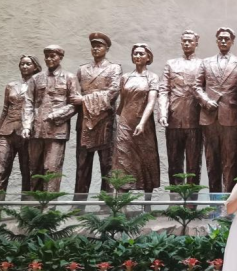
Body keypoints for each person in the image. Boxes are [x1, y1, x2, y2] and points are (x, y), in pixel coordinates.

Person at [22, 45, 80, 192]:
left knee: (52, 168)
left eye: (52, 56)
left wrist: (56, 115)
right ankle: (34, 203)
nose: (49, 59)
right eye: (46, 56)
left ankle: (50, 203)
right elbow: (28, 103)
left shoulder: (70, 78)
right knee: (34, 168)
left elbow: (75, 104)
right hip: (36, 130)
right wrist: (27, 125)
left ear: (60, 57)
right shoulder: (36, 78)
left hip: (57, 131)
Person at [71, 32, 122, 199]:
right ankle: (78, 205)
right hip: (85, 122)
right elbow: (74, 95)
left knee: (107, 165)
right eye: (93, 46)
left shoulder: (114, 69)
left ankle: (106, 204)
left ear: (106, 49)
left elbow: (112, 93)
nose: (95, 49)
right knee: (82, 165)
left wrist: (84, 99)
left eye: (99, 46)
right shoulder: (82, 70)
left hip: (104, 122)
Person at [195, 27, 237, 192]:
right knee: (212, 160)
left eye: (227, 39)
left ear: (232, 41)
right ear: (216, 41)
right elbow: (196, 86)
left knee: (231, 160)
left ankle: (229, 199)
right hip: (209, 116)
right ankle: (213, 199)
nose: (223, 41)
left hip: (231, 116)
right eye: (220, 38)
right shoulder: (206, 62)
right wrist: (205, 101)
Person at [111, 44, 160, 198]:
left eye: (141, 54)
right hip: (125, 122)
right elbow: (122, 102)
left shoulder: (152, 77)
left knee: (147, 158)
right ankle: (121, 202)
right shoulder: (125, 77)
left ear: (148, 57)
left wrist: (142, 123)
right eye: (135, 54)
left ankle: (147, 203)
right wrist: (122, 119)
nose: (137, 56)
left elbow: (151, 103)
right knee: (123, 158)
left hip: (144, 124)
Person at [0, 55, 42, 199]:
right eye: (22, 64)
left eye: (28, 64)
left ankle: (27, 209)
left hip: (27, 133)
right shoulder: (11, 85)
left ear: (35, 67)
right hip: (7, 131)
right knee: (0, 170)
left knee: (27, 172)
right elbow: (5, 110)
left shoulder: (39, 85)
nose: (24, 66)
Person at [159, 30, 205, 184]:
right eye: (184, 41)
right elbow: (163, 90)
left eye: (190, 41)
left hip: (195, 120)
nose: (186, 43)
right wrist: (163, 113)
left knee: (194, 164)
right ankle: (175, 198)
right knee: (174, 163)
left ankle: (192, 198)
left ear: (196, 43)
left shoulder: (203, 64)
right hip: (174, 119)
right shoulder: (171, 64)